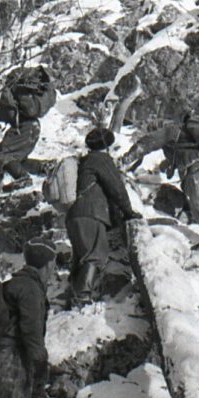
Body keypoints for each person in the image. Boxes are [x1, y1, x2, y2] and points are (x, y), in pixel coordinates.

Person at [0, 238, 56, 398]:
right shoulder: (29, 288)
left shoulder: (21, 283)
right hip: (12, 352)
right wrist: (40, 363)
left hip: (10, 351)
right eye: (53, 264)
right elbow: (31, 331)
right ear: (47, 264)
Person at [65, 126, 141, 305]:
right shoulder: (101, 160)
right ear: (107, 146)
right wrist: (129, 212)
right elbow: (117, 189)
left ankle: (74, 295)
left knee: (81, 257)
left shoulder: (85, 161)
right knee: (95, 255)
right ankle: (82, 297)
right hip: (91, 214)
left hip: (75, 215)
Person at [125, 113, 199, 235]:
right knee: (194, 192)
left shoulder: (170, 130)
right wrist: (163, 166)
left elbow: (148, 143)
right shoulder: (182, 138)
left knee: (195, 191)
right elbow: (177, 158)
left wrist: (125, 159)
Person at [0, 66, 55, 185]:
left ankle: (22, 178)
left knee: (2, 156)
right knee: (17, 158)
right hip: (32, 127)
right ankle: (42, 167)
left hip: (25, 127)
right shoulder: (24, 89)